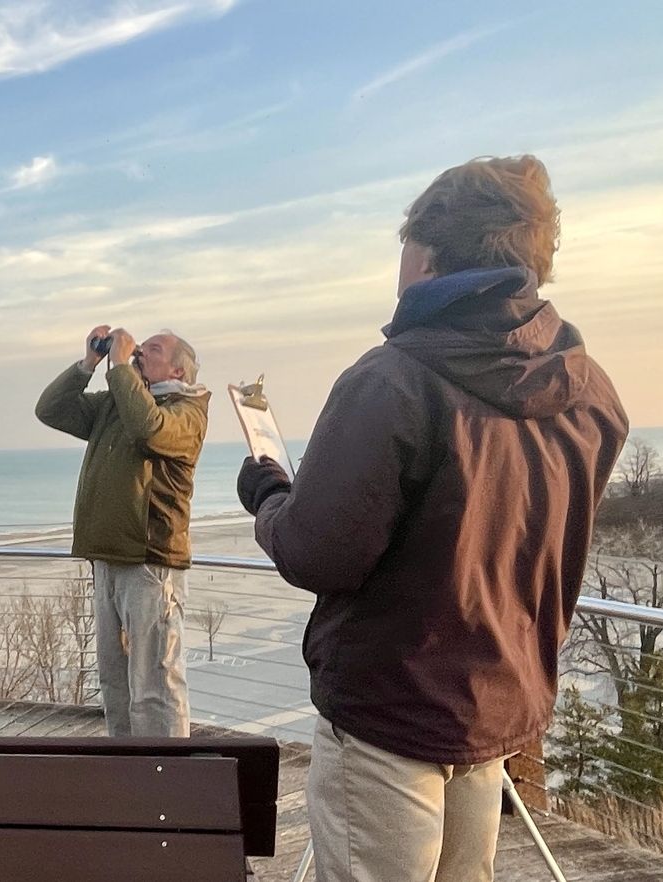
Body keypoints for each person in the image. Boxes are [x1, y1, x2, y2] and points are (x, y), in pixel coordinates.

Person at [237, 155, 627, 881]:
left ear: (424, 256)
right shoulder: (588, 390)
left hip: (392, 704)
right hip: (497, 696)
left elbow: (318, 554)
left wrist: (268, 494)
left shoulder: (392, 380)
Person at [36, 326, 209, 737]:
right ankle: (126, 762)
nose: (140, 351)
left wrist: (119, 367)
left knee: (155, 683)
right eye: (141, 347)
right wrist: (88, 364)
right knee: (115, 682)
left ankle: (168, 769)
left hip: (151, 563)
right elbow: (51, 410)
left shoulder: (188, 411)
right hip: (108, 559)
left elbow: (149, 428)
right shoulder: (119, 402)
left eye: (154, 348)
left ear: (179, 371)